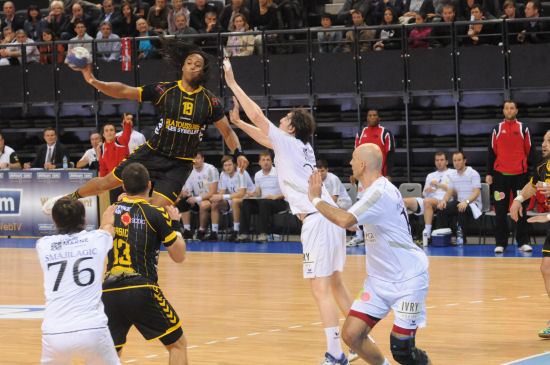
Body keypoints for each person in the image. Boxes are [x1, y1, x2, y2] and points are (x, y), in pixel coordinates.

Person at [224, 58, 356, 364]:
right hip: (330, 218)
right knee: (335, 282)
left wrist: (232, 83)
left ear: (291, 127)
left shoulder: (289, 142)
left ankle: (335, 353)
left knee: (319, 288)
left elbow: (258, 116)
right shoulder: (299, 146)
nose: (279, 120)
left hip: (317, 219)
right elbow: (264, 136)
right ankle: (361, 338)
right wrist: (239, 123)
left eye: (283, 118)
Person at [48, 40, 248, 213]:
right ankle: (67, 199)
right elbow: (125, 91)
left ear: (203, 71)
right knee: (107, 182)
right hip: (152, 152)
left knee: (154, 210)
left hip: (180, 164)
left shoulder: (210, 101)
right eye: (189, 63)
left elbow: (228, 132)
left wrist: (238, 152)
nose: (193, 66)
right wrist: (93, 81)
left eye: (198, 64)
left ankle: (126, 216)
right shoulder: (164, 90)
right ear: (183, 67)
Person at [307, 143, 431, 365]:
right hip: (379, 280)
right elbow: (358, 221)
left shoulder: (378, 193)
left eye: (353, 159)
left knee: (403, 350)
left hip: (408, 279)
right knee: (351, 335)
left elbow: (345, 220)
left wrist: (316, 199)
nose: (350, 163)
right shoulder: (373, 191)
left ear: (363, 164)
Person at [100, 162, 188, 363]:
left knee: (112, 354)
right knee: (177, 344)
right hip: (141, 288)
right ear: (149, 185)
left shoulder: (110, 212)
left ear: (123, 187)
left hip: (109, 291)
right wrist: (176, 225)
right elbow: (179, 256)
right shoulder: (157, 213)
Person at [36, 197, 120, 365]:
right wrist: (108, 219)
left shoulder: (43, 245)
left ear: (54, 221)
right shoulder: (98, 239)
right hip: (92, 328)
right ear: (84, 219)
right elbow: (108, 229)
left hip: (55, 331)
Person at [511, 130, 550, 338]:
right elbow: (532, 186)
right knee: (546, 267)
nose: (544, 144)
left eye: (549, 141)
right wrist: (518, 200)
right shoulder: (543, 168)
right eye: (543, 140)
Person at [487, 100, 536, 254]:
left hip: (520, 177)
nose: (509, 111)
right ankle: (500, 243)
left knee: (521, 209)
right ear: (503, 111)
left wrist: (532, 174)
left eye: (512, 108)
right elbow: (490, 152)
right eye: (506, 108)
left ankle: (522, 242)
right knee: (500, 210)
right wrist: (489, 173)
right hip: (500, 177)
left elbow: (531, 151)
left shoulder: (524, 128)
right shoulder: (496, 129)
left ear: (516, 111)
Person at [348, 108, 395, 247]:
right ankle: (359, 235)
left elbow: (391, 154)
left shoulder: (385, 133)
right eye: (370, 115)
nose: (372, 117)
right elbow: (355, 154)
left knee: (379, 204)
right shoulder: (361, 133)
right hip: (363, 176)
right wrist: (353, 173)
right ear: (367, 118)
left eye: (375, 115)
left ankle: (381, 234)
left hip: (379, 176)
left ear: (379, 117)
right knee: (361, 202)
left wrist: (388, 173)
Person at [403, 151, 454, 243]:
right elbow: (424, 195)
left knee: (427, 201)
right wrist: (427, 191)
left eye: (441, 160)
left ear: (447, 162)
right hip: (428, 201)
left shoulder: (453, 173)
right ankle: (403, 233)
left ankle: (427, 234)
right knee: (404, 201)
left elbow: (454, 191)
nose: (439, 162)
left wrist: (438, 185)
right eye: (437, 160)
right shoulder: (430, 175)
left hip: (444, 200)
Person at [238, 150, 287, 243]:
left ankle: (263, 234)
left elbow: (288, 191)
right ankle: (244, 234)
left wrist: (274, 197)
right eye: (263, 160)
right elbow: (258, 192)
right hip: (263, 202)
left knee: (264, 203)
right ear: (259, 162)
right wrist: (252, 195)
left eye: (268, 160)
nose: (265, 162)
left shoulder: (279, 172)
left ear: (272, 162)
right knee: (246, 202)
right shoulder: (258, 175)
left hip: (279, 201)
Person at [437, 151, 482, 244]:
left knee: (461, 208)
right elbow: (449, 191)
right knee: (442, 208)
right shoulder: (452, 175)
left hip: (473, 204)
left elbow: (476, 193)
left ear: (464, 161)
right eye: (454, 160)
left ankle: (461, 239)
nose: (456, 163)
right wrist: (443, 201)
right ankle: (444, 238)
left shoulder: (473, 173)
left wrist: (466, 202)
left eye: (459, 160)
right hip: (459, 202)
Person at [176, 151, 219, 240]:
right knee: (184, 202)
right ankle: (187, 231)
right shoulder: (190, 170)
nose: (195, 160)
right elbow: (188, 190)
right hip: (197, 198)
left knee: (203, 205)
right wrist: (185, 193)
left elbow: (213, 192)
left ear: (203, 159)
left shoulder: (211, 169)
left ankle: (201, 231)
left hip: (212, 199)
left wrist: (197, 198)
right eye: (193, 158)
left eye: (198, 158)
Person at [208, 155, 247, 241]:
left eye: (230, 165)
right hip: (232, 198)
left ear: (235, 165)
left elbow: (241, 194)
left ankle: (236, 231)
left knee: (235, 201)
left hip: (247, 199)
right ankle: (214, 232)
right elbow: (222, 192)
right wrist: (216, 197)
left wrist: (222, 196)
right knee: (215, 203)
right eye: (225, 165)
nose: (227, 167)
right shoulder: (223, 174)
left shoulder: (241, 172)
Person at [98, 116, 132, 203]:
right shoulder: (102, 148)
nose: (109, 132)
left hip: (126, 182)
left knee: (127, 209)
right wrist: (103, 183)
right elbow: (103, 167)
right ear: (103, 134)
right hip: (112, 183)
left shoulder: (120, 141)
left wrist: (127, 124)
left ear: (115, 133)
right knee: (114, 208)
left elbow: (126, 134)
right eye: (106, 130)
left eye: (111, 130)